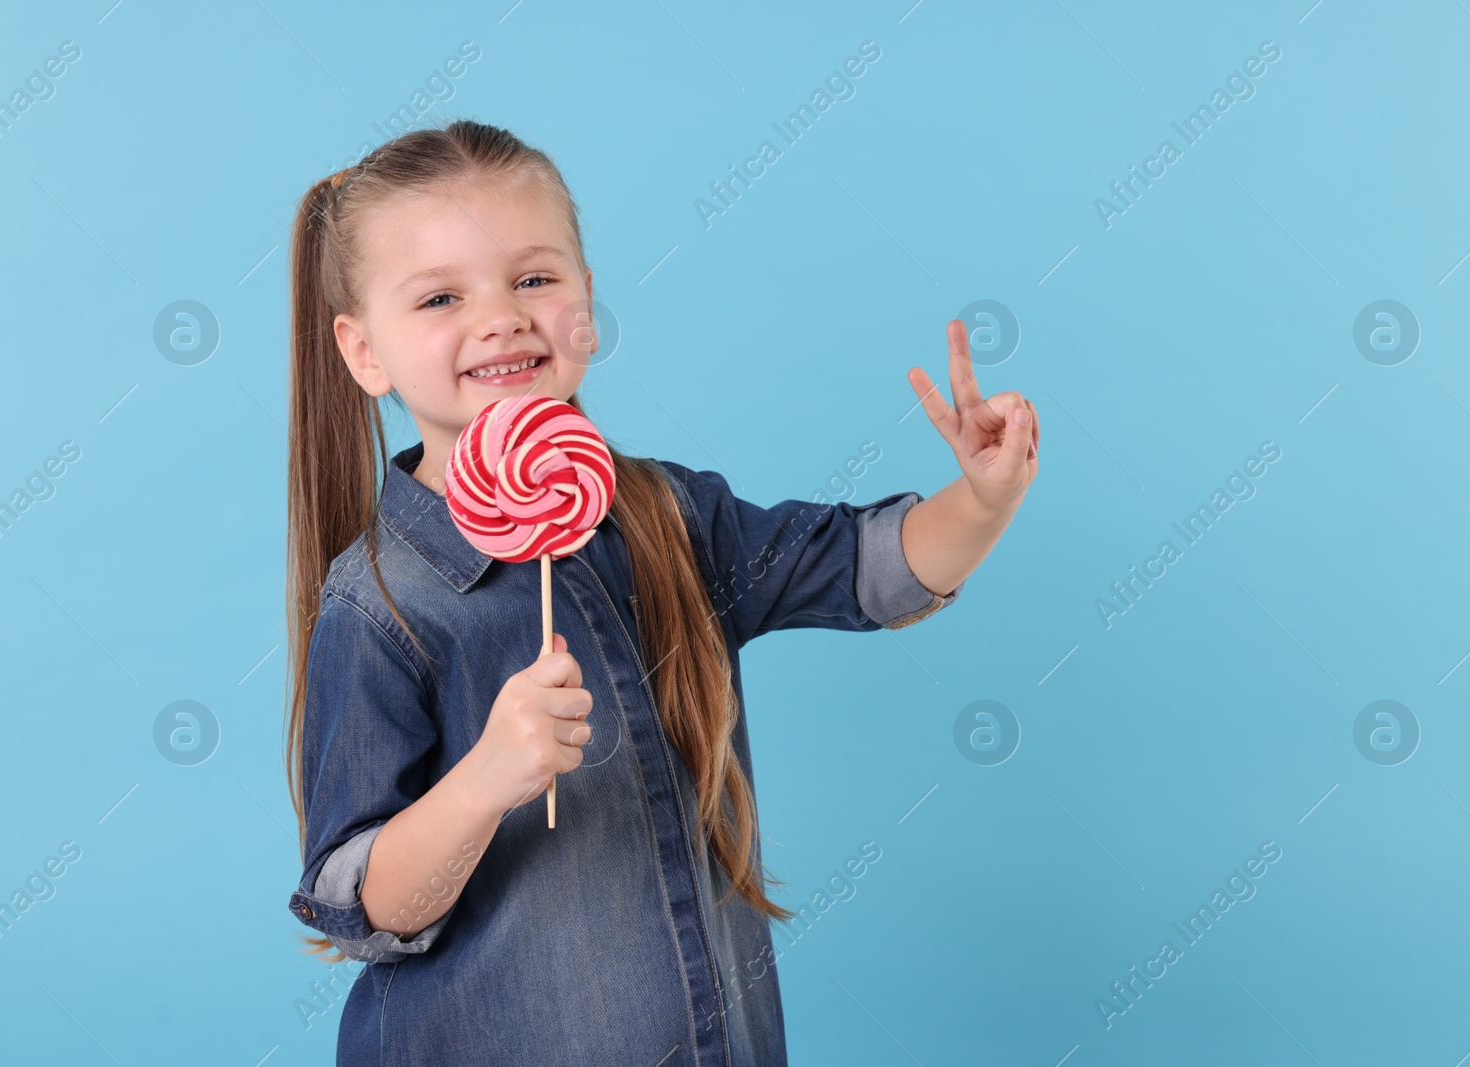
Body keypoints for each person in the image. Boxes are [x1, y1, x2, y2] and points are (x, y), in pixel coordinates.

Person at [283, 118, 1039, 1065]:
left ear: (587, 301)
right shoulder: (382, 605)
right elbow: (360, 901)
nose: (502, 317)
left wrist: (983, 496)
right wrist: (485, 779)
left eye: (534, 278)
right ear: (366, 353)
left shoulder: (667, 517)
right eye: (440, 296)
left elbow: (867, 569)